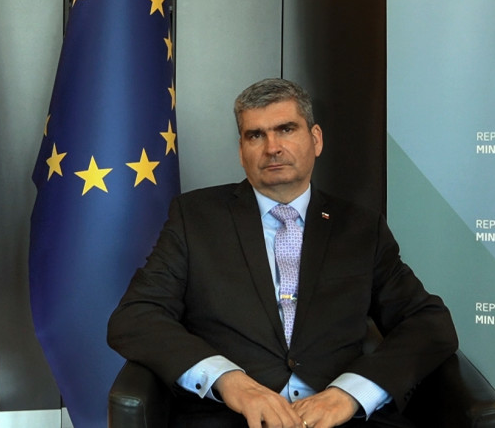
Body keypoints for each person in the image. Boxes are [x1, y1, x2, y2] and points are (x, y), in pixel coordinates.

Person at [108, 78, 457, 428]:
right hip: (229, 417)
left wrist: (350, 393)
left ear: (315, 139)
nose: (272, 147)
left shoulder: (360, 229)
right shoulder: (195, 218)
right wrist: (231, 382)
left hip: (339, 418)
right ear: (241, 151)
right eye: (255, 135)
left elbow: (429, 324)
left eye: (286, 129)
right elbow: (135, 316)